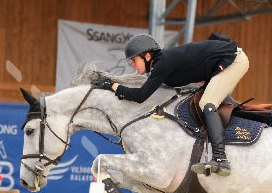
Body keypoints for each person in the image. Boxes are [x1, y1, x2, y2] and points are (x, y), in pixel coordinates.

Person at [90, 33, 249, 176]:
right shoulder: (161, 64)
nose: (132, 64)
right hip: (219, 64)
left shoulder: (162, 64)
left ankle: (221, 159)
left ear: (147, 56)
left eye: (134, 59)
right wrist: (114, 87)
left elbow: (140, 96)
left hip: (233, 60)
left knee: (207, 103)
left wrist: (112, 85)